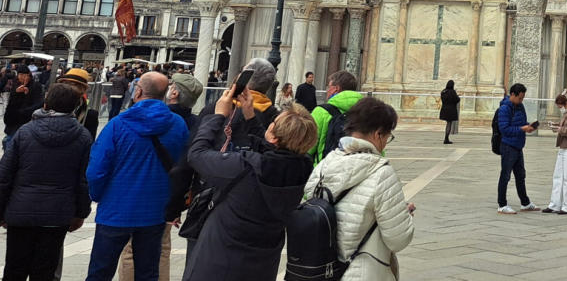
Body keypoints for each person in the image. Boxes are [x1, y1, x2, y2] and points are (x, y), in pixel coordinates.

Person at [181, 91, 317, 281]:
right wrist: (250, 116)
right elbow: (274, 149)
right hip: (262, 263)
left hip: (220, 259)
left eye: (273, 123)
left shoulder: (247, 166)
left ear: (274, 137)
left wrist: (217, 116)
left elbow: (197, 155)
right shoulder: (303, 168)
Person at [84, 71, 188, 281]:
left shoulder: (118, 124)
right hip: (155, 209)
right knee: (148, 272)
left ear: (138, 91)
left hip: (116, 208)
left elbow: (97, 169)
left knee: (100, 272)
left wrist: (97, 195)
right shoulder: (177, 124)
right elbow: (183, 166)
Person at [304, 97, 415, 280]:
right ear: (378, 134)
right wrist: (403, 215)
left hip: (322, 270)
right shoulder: (382, 173)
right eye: (388, 137)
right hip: (363, 272)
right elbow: (398, 239)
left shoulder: (325, 164)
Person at [0, 84, 92, 281]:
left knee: (14, 268)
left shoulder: (25, 132)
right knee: (45, 271)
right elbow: (83, 180)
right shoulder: (83, 136)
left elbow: (5, 176)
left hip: (21, 211)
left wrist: (1, 210)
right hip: (57, 214)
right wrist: (81, 213)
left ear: (46, 103)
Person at [496, 83, 538, 214]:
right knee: (505, 175)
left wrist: (528, 127)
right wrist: (521, 129)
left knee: (520, 176)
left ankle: (525, 203)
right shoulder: (504, 109)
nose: (521, 100)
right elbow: (504, 129)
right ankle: (502, 204)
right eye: (520, 98)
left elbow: (521, 123)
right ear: (513, 95)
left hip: (518, 145)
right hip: (508, 145)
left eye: (523, 98)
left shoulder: (520, 106)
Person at [312, 70, 364, 160]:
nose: (327, 90)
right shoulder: (367, 112)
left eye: (329, 87)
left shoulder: (321, 111)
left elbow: (308, 145)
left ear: (336, 88)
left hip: (326, 165)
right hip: (358, 165)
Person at [3, 67, 44, 151]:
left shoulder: (36, 86)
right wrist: (17, 93)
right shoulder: (15, 85)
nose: (22, 77)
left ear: (29, 75)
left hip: (27, 121)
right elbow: (11, 105)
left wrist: (26, 96)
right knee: (8, 143)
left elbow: (38, 104)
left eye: (24, 75)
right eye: (20, 75)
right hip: (13, 121)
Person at [59, 67, 100, 138]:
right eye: (65, 83)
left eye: (72, 84)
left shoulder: (89, 115)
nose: (67, 87)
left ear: (83, 89)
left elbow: (89, 140)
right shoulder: (48, 105)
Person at [439, 80, 460, 145]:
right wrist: (457, 96)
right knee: (449, 124)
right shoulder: (452, 92)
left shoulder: (443, 91)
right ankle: (446, 138)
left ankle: (446, 138)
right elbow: (457, 100)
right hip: (451, 110)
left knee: (448, 123)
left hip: (444, 109)